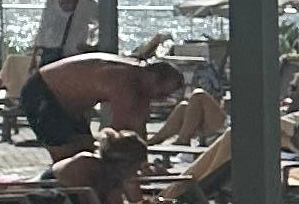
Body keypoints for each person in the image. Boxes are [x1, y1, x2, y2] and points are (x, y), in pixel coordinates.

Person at [18, 49, 183, 161]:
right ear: (153, 78)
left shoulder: (139, 81)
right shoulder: (124, 81)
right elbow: (120, 136)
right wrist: (136, 170)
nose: (159, 99)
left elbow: (139, 128)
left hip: (67, 104)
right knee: (71, 156)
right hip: (42, 92)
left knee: (84, 152)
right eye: (161, 94)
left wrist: (143, 164)